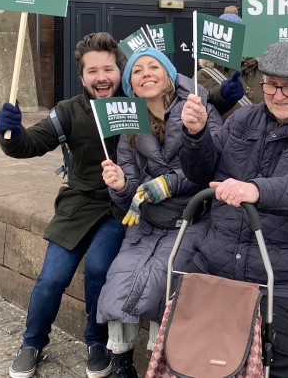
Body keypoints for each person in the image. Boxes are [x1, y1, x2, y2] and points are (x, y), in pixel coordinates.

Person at [178, 41, 288, 378]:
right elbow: (199, 172)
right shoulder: (243, 119)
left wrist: (256, 190)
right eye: (271, 84)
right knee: (185, 323)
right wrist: (196, 134)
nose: (279, 94)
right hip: (222, 255)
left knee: (269, 340)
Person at [0, 32, 127, 378]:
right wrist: (11, 134)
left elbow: (178, 113)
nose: (102, 77)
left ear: (120, 69)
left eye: (108, 69)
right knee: (52, 278)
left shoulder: (135, 106)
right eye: (92, 71)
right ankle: (32, 342)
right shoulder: (68, 112)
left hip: (117, 207)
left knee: (99, 268)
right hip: (77, 205)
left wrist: (219, 98)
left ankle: (96, 341)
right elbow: (29, 144)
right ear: (82, 76)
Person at [97, 47, 222, 378]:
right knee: (120, 278)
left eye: (154, 66)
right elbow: (129, 200)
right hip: (147, 222)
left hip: (191, 219)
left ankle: (159, 361)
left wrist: (167, 184)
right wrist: (122, 184)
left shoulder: (199, 108)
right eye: (136, 71)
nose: (145, 73)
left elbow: (214, 164)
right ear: (131, 86)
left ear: (169, 75)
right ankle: (121, 363)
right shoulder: (131, 127)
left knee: (164, 283)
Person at [194, 6, 264, 119]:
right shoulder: (204, 76)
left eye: (237, 36)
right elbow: (199, 114)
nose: (233, 42)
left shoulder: (263, 72)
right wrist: (222, 96)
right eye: (228, 36)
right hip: (224, 136)